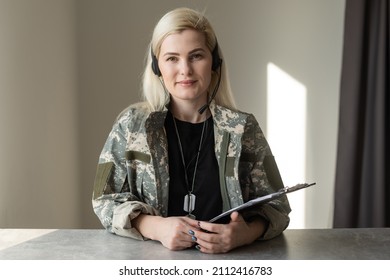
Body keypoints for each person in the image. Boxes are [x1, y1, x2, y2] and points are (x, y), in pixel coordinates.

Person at [92, 7, 291, 254]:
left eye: (196, 56)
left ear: (214, 62)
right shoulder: (131, 126)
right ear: (157, 67)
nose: (185, 69)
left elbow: (278, 208)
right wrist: (155, 227)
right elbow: (104, 202)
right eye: (172, 58)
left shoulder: (242, 128)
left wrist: (244, 234)